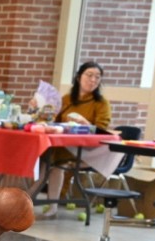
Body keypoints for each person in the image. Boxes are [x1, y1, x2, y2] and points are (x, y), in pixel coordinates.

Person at [42, 61, 111, 217]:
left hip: (88, 149)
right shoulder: (66, 99)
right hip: (63, 144)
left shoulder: (101, 103)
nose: (93, 80)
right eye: (89, 75)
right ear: (79, 77)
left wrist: (86, 124)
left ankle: (51, 204)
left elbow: (101, 130)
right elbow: (53, 119)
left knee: (57, 164)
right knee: (43, 159)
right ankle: (29, 198)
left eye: (97, 77)